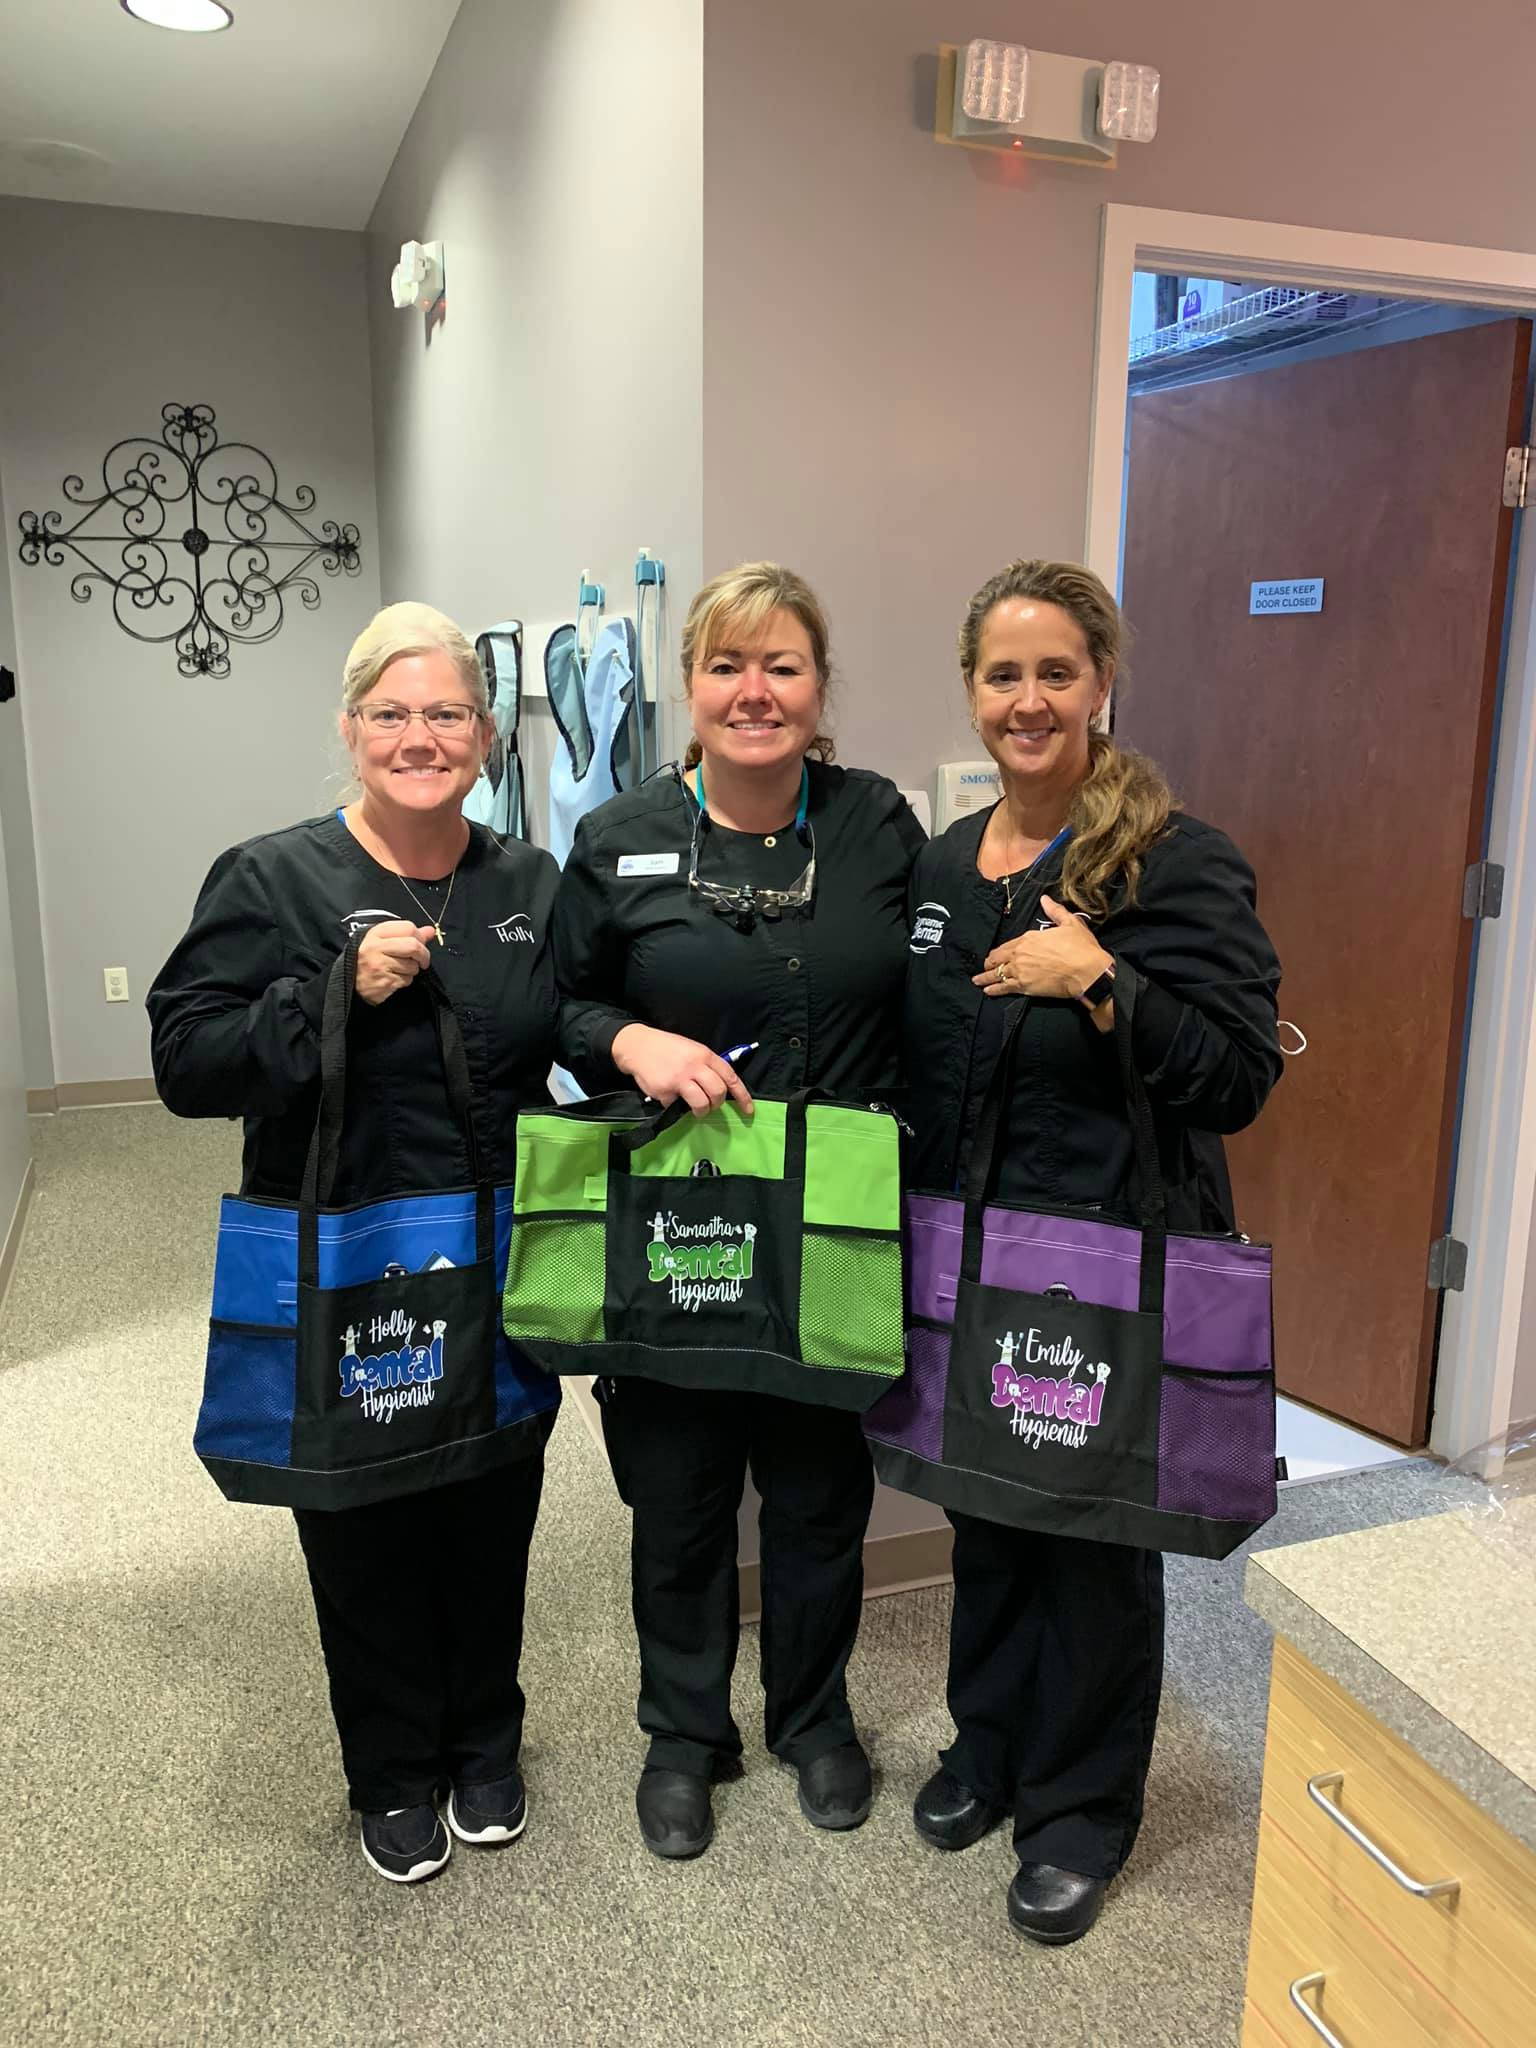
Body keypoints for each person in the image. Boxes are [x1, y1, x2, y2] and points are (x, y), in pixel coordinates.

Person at [148, 603, 561, 1885]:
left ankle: (486, 1737)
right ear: (350, 727)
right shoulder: (268, 878)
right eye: (393, 712)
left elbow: (575, 1023)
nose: (420, 736)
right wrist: (322, 993)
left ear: (486, 736)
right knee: (364, 1509)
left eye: (447, 713)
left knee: (494, 1496)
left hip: (490, 1252)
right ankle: (391, 1765)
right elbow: (183, 1059)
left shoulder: (528, 885)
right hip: (345, 1258)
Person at [902, 559, 1281, 1945]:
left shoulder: (1175, 860)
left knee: (1094, 1541)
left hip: (1110, 1258)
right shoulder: (949, 864)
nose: (1028, 700)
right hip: (971, 1253)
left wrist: (1106, 982)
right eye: (1003, 675)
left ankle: (1079, 1809)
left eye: (1056, 672)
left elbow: (1238, 1076)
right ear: (971, 692)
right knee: (988, 1514)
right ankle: (987, 1749)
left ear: (1103, 684)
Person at [553, 561, 926, 1858]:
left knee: (822, 1490)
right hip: (684, 1210)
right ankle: (684, 1731)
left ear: (820, 689)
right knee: (681, 1484)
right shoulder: (618, 840)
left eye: (782, 665)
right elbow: (559, 1003)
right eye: (728, 665)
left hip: (833, 1215)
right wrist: (631, 1043)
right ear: (690, 685)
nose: (754, 691)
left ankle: (814, 1719)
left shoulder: (878, 823)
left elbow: (935, 990)